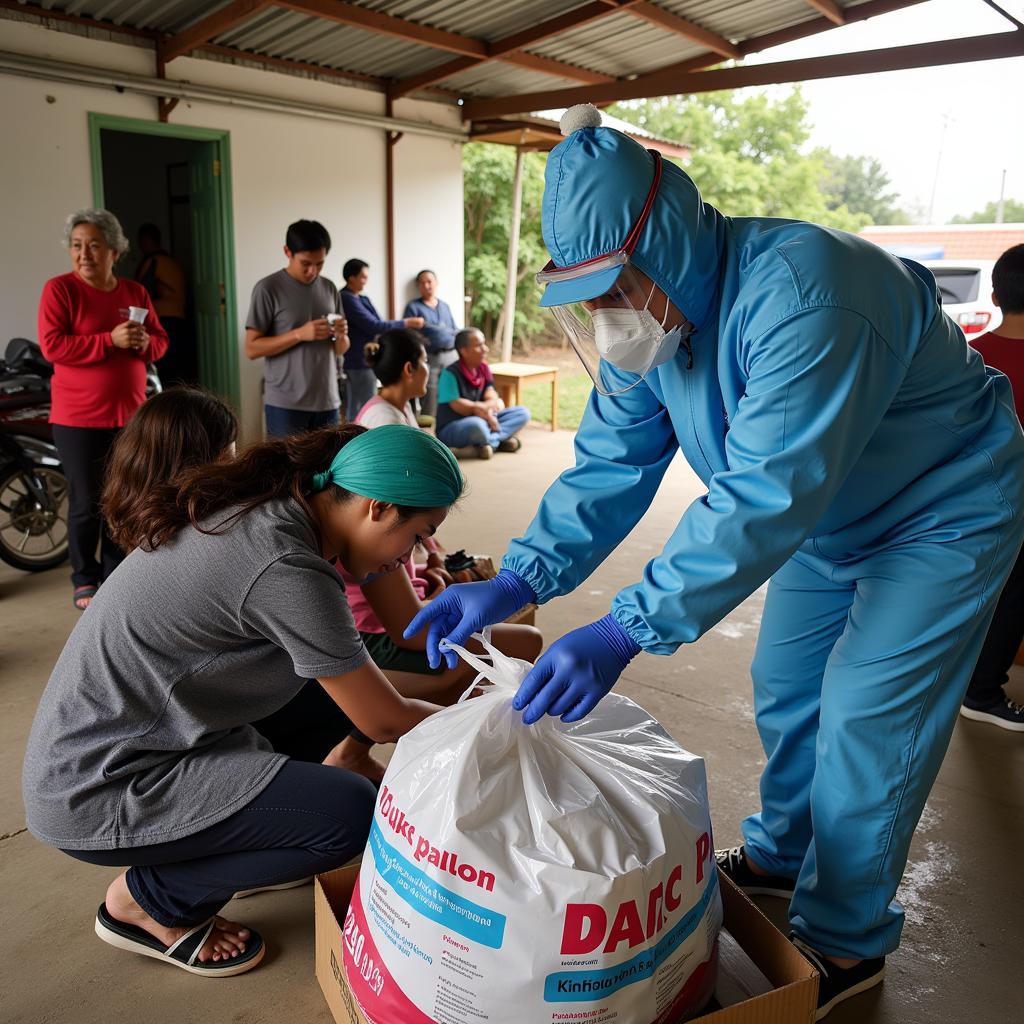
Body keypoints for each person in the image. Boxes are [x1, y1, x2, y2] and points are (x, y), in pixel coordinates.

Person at [406, 107, 1024, 1019]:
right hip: (830, 514)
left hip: (941, 512)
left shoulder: (811, 297)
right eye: (586, 299)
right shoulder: (648, 325)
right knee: (784, 685)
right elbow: (613, 467)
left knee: (865, 715)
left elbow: (763, 495)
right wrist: (520, 576)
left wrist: (627, 628)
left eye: (612, 289)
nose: (604, 319)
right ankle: (780, 854)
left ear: (663, 246)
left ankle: (845, 939)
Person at [22, 423, 463, 977]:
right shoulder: (286, 565)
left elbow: (363, 688)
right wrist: (486, 726)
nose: (413, 556)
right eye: (419, 535)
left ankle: (259, 834)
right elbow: (383, 719)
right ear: (375, 508)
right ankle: (147, 903)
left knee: (332, 695)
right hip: (100, 785)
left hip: (142, 740)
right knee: (347, 813)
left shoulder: (275, 511)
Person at [100, 387, 381, 780]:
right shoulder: (223, 532)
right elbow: (387, 696)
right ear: (197, 461)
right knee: (341, 702)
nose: (236, 463)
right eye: (229, 452)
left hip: (168, 706)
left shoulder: (158, 522)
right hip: (174, 724)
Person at [38, 208, 169, 611]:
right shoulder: (60, 290)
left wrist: (142, 342)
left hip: (129, 415)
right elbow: (53, 346)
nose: (84, 254)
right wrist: (108, 341)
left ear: (114, 250)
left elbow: (160, 344)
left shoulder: (134, 293)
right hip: (77, 417)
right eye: (77, 246)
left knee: (123, 496)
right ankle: (83, 577)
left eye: (94, 245)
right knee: (85, 499)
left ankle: (115, 572)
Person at [960, 243, 1024, 731]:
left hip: (972, 504)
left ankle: (971, 683)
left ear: (996, 292)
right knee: (1012, 598)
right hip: (1015, 507)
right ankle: (981, 691)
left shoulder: (969, 357)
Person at [244, 220, 349, 437]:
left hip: (328, 400)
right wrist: (300, 334)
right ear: (287, 252)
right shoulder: (268, 288)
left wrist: (341, 335)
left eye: (319, 264)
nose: (313, 271)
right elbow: (251, 349)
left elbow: (340, 349)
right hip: (285, 404)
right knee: (287, 470)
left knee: (329, 469)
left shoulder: (329, 288)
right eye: (306, 263)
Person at [340, 258, 423, 422]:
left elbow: (379, 323)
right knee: (360, 406)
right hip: (357, 361)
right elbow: (374, 325)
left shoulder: (362, 299)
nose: (366, 281)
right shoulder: (346, 298)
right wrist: (407, 322)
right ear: (351, 278)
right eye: (363, 277)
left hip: (366, 360)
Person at [435, 328, 530, 459]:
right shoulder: (449, 373)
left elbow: (491, 394)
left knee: (522, 413)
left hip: (485, 418)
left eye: (484, 344)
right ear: (464, 350)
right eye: (479, 345)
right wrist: (487, 413)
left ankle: (489, 443)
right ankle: (499, 440)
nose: (485, 349)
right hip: (456, 425)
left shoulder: (483, 368)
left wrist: (489, 414)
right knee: (477, 426)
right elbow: (460, 406)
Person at [135, 223, 194, 386]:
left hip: (164, 320)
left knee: (165, 371)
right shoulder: (172, 261)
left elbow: (142, 293)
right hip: (181, 319)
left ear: (146, 240)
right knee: (177, 369)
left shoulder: (153, 262)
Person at [403, 269, 459, 418]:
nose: (427, 285)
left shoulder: (444, 306)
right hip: (429, 358)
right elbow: (409, 335)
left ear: (436, 283)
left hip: (451, 355)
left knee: (451, 391)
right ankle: (428, 430)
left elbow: (454, 329)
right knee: (430, 393)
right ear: (418, 287)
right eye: (422, 283)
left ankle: (447, 425)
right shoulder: (413, 307)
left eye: (429, 281)